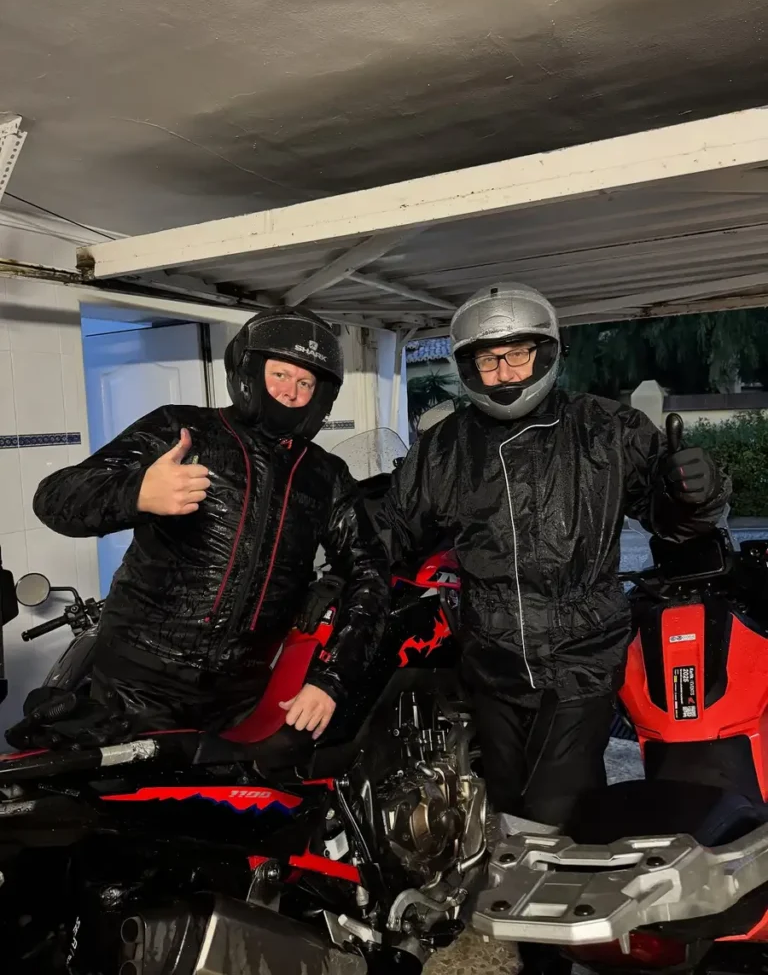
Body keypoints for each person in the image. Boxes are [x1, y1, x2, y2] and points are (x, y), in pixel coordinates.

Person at [380, 283, 730, 829]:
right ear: (468, 367)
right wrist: (342, 548)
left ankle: (578, 879)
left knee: (558, 811)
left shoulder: (608, 429)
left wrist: (695, 493)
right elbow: (394, 533)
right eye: (488, 360)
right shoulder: (443, 447)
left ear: (545, 353)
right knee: (505, 808)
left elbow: (673, 522)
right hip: (490, 660)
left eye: (517, 354)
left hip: (580, 657)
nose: (504, 373)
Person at [32, 307, 389, 739]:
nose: (291, 392)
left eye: (305, 382)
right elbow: (54, 498)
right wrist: (136, 492)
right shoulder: (182, 429)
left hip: (241, 698)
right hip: (136, 686)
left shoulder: (325, 474)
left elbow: (370, 571)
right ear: (250, 371)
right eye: (280, 374)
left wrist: (332, 679)